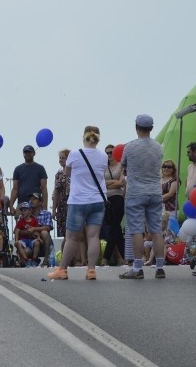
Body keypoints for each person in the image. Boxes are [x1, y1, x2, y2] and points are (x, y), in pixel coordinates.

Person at [48, 125, 108, 280]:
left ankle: (62, 270)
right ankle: (91, 270)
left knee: (72, 237)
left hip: (79, 200)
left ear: (84, 137)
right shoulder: (103, 156)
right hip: (98, 200)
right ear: (98, 137)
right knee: (93, 236)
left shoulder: (75, 153)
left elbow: (67, 172)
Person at [119, 115, 166, 280]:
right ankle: (160, 267)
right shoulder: (159, 147)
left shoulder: (130, 147)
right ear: (151, 128)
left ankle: (137, 267)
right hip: (154, 191)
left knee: (137, 231)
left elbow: (123, 166)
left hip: (136, 193)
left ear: (136, 127)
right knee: (156, 230)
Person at [101, 144, 126, 266]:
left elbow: (122, 183)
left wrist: (109, 183)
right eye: (107, 153)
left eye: (111, 152)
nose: (109, 155)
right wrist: (114, 182)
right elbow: (100, 183)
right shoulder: (103, 167)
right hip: (106, 199)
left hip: (118, 197)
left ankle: (105, 257)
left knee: (114, 226)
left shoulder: (121, 165)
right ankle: (122, 258)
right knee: (115, 229)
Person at [9, 145, 48, 213]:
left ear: (34, 153)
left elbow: (44, 188)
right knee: (20, 223)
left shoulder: (40, 168)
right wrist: (11, 205)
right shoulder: (18, 169)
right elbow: (15, 189)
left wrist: (45, 206)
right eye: (26, 152)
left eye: (29, 152)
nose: (27, 154)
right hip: (21, 205)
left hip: (36, 206)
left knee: (37, 223)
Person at [28, 192, 54, 265]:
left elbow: (48, 227)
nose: (31, 201)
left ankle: (46, 259)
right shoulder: (26, 214)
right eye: (30, 199)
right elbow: (19, 230)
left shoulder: (46, 213)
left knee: (44, 232)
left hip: (43, 241)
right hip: (30, 240)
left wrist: (34, 229)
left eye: (34, 199)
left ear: (40, 202)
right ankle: (28, 261)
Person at [52, 149, 71, 239]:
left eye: (64, 158)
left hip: (72, 205)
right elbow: (56, 192)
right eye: (60, 158)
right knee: (64, 234)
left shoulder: (74, 172)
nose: (61, 159)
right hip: (61, 206)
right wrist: (53, 210)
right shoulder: (58, 174)